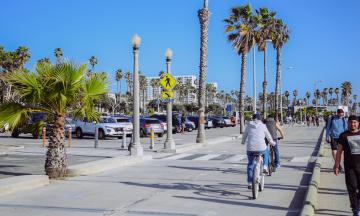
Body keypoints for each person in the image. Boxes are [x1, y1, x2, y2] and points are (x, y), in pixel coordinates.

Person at [333, 115, 360, 216]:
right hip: (350, 167)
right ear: (348, 123)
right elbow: (339, 152)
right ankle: (355, 209)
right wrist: (336, 165)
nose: (353, 124)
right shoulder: (343, 136)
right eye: (351, 122)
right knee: (352, 188)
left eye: (355, 122)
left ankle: (358, 204)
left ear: (358, 123)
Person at [242, 114, 275, 189]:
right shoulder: (263, 126)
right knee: (266, 151)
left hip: (250, 148)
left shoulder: (248, 125)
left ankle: (249, 182)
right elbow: (268, 136)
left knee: (250, 164)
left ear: (253, 119)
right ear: (260, 119)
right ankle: (265, 167)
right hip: (261, 148)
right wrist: (272, 143)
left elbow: (244, 135)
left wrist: (243, 142)